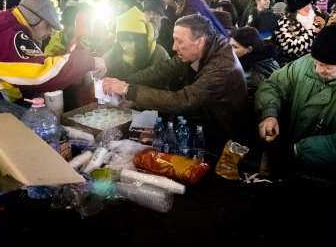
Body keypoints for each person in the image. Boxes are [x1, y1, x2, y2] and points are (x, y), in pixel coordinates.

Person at [102, 14, 247, 156]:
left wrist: (128, 90)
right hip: (198, 123)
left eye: (179, 41)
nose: (173, 47)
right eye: (174, 40)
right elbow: (162, 70)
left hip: (218, 136)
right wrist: (123, 81)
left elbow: (183, 100)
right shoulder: (202, 48)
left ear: (199, 41)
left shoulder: (221, 66)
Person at [255, 24, 336, 176]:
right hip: (285, 155)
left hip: (322, 175)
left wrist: (298, 150)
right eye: (316, 63)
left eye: (326, 67)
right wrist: (269, 113)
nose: (318, 70)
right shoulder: (304, 64)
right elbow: (273, 85)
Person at [105, 6, 169, 81]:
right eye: (122, 41)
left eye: (130, 41)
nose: (125, 47)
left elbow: (167, 87)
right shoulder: (116, 50)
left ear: (140, 39)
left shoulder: (159, 54)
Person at [274, 0, 325, 66]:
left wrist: (323, 29)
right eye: (305, 3)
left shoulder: (315, 19)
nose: (309, 7)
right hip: (291, 69)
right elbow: (291, 50)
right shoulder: (284, 22)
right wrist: (314, 31)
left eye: (311, 3)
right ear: (296, 3)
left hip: (313, 67)